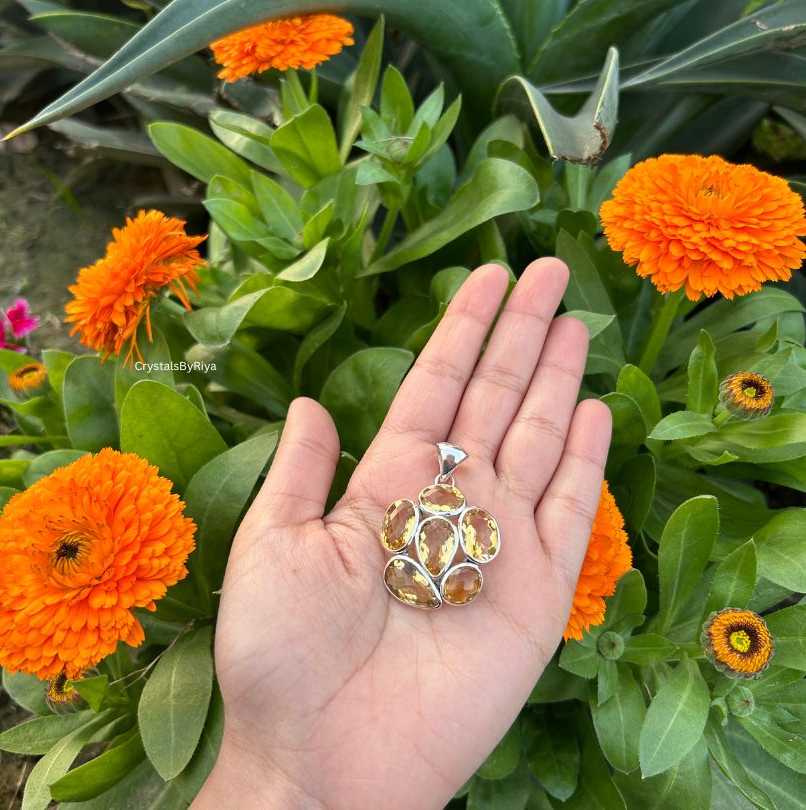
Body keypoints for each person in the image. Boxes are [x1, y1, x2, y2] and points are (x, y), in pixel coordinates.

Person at [193, 259, 612, 809]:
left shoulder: (457, 521)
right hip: (423, 573)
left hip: (439, 572)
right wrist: (279, 767)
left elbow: (466, 540)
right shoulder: (414, 520)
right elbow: (410, 537)